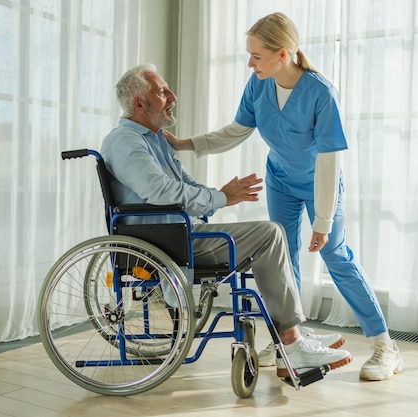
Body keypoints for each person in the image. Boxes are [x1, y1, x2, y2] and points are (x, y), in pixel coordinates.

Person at [164, 12, 404, 381]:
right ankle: (290, 340)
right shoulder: (258, 84)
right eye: (249, 54)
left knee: (335, 255)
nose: (250, 62)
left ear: (283, 54)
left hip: (318, 183)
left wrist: (322, 222)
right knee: (283, 257)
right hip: (280, 181)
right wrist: (185, 144)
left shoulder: (320, 92)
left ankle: (385, 346)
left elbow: (330, 160)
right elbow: (235, 131)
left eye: (256, 56)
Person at [100, 63, 352, 378]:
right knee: (270, 234)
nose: (172, 96)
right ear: (139, 104)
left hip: (178, 233)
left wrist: (221, 195)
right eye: (162, 92)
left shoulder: (154, 140)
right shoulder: (125, 141)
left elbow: (186, 186)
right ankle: (290, 341)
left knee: (268, 235)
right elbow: (162, 192)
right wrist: (221, 197)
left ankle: (288, 336)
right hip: (163, 242)